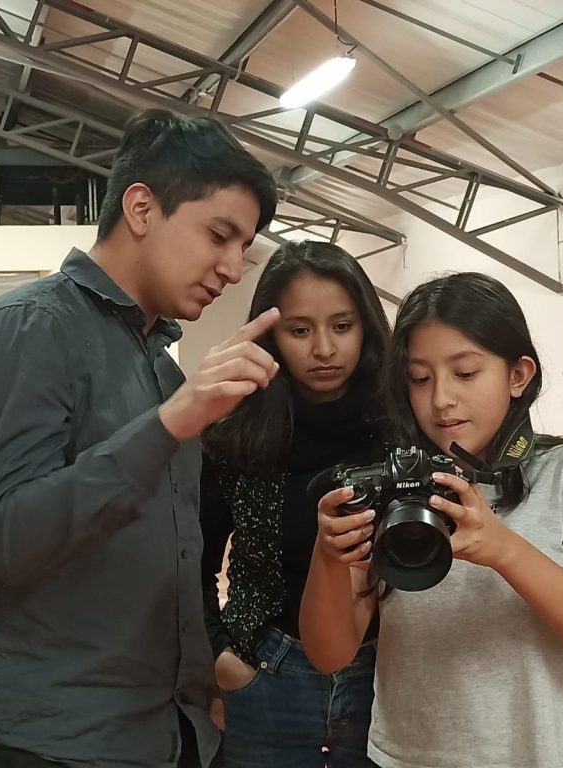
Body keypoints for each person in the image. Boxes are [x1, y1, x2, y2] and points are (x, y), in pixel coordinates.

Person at [0, 107, 278, 768]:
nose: (234, 268)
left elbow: (178, 552)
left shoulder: (157, 363)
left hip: (162, 732)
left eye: (246, 248)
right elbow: (10, 538)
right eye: (219, 235)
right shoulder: (27, 330)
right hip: (42, 742)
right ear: (143, 208)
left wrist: (199, 684)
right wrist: (174, 422)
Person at [300, 272, 563, 768]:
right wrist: (328, 555)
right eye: (420, 378)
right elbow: (330, 655)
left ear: (518, 374)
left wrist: (502, 548)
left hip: (544, 757)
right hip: (403, 758)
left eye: (465, 373)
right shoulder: (397, 483)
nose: (440, 399)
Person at [199, 240, 390, 767]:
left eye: (342, 326)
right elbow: (193, 556)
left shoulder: (401, 427)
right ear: (270, 333)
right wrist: (219, 660)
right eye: (301, 330)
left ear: (367, 326)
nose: (324, 349)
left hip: (389, 679)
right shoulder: (232, 431)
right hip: (266, 672)